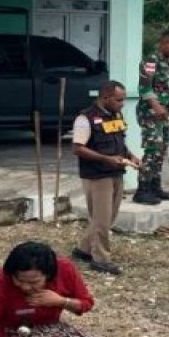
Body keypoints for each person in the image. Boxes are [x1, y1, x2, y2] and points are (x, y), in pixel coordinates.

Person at [68, 80, 140, 275]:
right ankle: (100, 259)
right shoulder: (85, 118)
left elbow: (120, 142)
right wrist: (106, 159)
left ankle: (83, 249)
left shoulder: (115, 115)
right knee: (101, 219)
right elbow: (78, 148)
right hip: (97, 176)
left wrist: (130, 156)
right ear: (105, 97)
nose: (122, 104)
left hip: (116, 172)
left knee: (109, 217)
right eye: (119, 100)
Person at [134, 31, 169, 205]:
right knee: (152, 148)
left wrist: (166, 111)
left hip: (163, 114)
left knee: (161, 150)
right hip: (149, 113)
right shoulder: (150, 61)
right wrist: (156, 106)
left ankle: (155, 186)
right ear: (163, 43)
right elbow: (145, 87)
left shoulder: (167, 63)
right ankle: (142, 189)